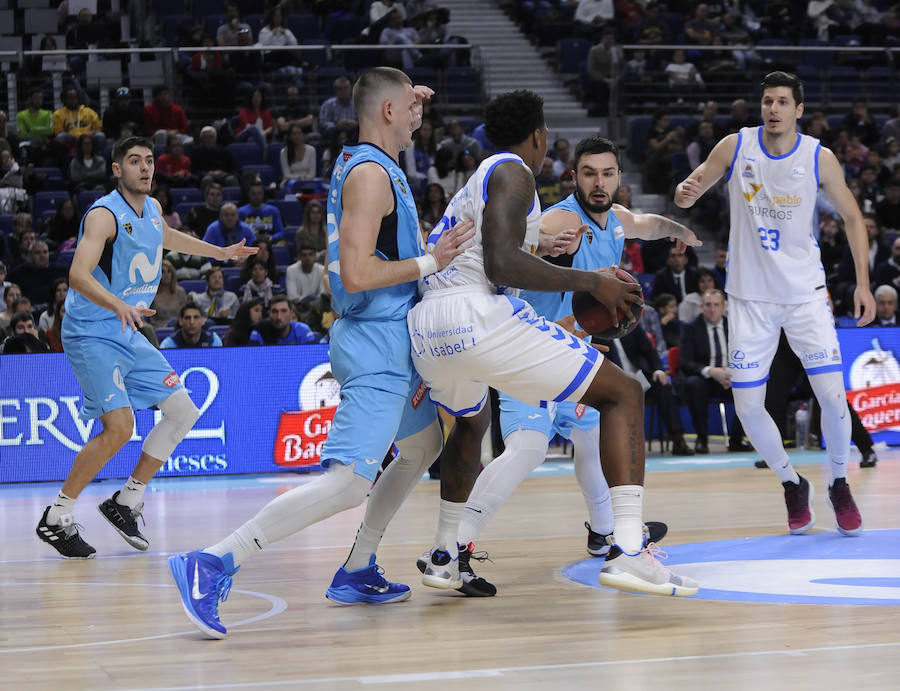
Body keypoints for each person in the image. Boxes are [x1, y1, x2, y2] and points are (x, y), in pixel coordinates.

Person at [169, 67, 472, 639]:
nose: (418, 117)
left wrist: (411, 95)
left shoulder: (373, 162)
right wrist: (436, 262)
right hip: (377, 341)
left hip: (394, 340)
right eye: (411, 108)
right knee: (349, 481)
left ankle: (358, 567)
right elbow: (356, 275)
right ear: (388, 112)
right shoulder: (369, 177)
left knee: (423, 445)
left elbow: (378, 241)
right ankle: (213, 561)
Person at [405, 89, 699, 599]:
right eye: (589, 172)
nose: (598, 181)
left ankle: (445, 553)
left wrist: (540, 245)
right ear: (540, 136)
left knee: (476, 426)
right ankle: (630, 553)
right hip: (483, 319)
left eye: (607, 173)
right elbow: (499, 263)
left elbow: (495, 246)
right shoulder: (515, 172)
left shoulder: (479, 182)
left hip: (432, 323)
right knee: (623, 395)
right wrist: (593, 284)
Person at [674, 71, 876, 536]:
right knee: (746, 406)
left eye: (783, 102)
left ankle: (840, 481)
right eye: (767, 101)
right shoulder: (735, 145)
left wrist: (862, 283)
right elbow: (693, 186)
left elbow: (852, 217)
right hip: (749, 299)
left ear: (798, 110)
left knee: (831, 397)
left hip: (805, 295)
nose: (774, 109)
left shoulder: (818, 158)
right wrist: (686, 193)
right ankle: (791, 482)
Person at [35, 136, 256, 559]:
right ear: (117, 169)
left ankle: (126, 501)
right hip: (91, 331)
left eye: (149, 161)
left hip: (127, 328)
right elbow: (78, 276)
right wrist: (119, 303)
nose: (145, 168)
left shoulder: (152, 210)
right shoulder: (102, 215)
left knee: (184, 410)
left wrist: (221, 253)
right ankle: (57, 517)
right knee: (119, 428)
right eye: (134, 161)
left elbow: (166, 236)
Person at [677, 289, 751, 453]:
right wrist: (711, 371)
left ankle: (737, 440)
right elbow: (685, 362)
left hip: (730, 376)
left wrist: (732, 373)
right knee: (695, 385)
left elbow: (746, 354)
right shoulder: (690, 328)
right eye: (708, 305)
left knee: (748, 387)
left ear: (724, 307)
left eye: (716, 305)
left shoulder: (734, 326)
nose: (712, 309)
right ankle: (702, 439)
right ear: (702, 307)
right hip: (704, 377)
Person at [248, 293, 316, 344]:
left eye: (283, 311)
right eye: (274, 312)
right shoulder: (259, 331)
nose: (279, 317)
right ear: (269, 314)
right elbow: (252, 360)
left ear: (291, 313)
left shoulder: (303, 331)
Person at [53, 87, 104, 153]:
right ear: (64, 100)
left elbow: (98, 128)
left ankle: (97, 157)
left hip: (88, 136)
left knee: (100, 135)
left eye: (74, 97)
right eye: (70, 98)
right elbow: (58, 131)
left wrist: (90, 133)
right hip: (71, 138)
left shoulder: (89, 111)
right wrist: (74, 136)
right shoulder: (58, 114)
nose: (73, 100)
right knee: (61, 136)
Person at [148, 259, 187, 327]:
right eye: (163, 272)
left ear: (172, 274)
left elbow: (186, 313)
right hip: (157, 327)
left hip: (178, 326)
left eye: (169, 272)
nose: (166, 275)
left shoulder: (180, 292)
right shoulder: (152, 293)